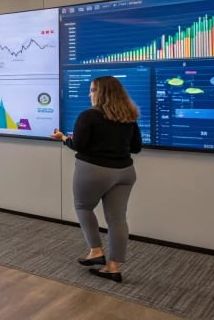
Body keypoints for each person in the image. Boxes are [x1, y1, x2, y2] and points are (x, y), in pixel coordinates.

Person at [51, 76, 141, 283]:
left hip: (94, 170)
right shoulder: (129, 116)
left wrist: (64, 138)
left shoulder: (88, 116)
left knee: (83, 207)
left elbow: (79, 145)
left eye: (92, 90)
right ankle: (113, 267)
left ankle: (95, 251)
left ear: (102, 93)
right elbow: (136, 147)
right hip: (125, 172)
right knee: (117, 219)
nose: (89, 94)